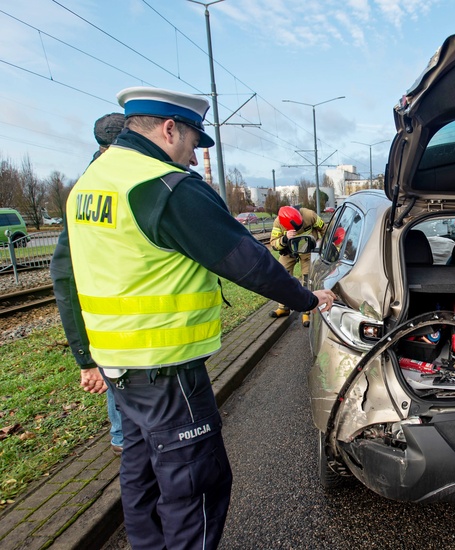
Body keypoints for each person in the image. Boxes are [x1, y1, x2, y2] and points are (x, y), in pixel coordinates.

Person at [57, 86, 335, 550]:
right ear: (170, 129)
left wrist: (86, 355)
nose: (191, 157)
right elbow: (246, 260)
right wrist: (307, 298)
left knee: (141, 475)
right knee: (195, 485)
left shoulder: (90, 182)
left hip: (118, 364)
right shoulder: (165, 186)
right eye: (192, 143)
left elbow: (65, 274)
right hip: (166, 368)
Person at [51, 112, 127, 457]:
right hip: (118, 324)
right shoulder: (100, 188)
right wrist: (84, 357)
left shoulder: (85, 188)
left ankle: (126, 444)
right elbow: (66, 275)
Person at [269, 205, 326, 327]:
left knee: (307, 279)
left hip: (307, 250)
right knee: (281, 277)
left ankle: (307, 312)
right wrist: (285, 239)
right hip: (289, 251)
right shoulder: (278, 222)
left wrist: (322, 243)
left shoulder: (310, 215)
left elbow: (324, 229)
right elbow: (273, 243)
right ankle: (283, 308)